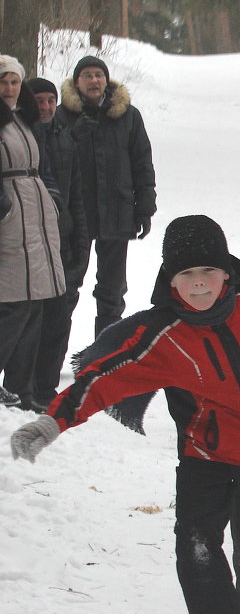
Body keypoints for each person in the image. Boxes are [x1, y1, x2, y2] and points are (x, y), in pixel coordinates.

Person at [9, 214, 240, 614]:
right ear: (170, 279)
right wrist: (52, 423)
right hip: (203, 457)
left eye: (207, 272)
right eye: (185, 275)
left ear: (227, 273)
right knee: (196, 543)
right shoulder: (161, 338)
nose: (197, 284)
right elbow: (100, 379)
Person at [56, 54, 156, 337]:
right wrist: (72, 138)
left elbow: (142, 163)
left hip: (117, 211)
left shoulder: (128, 115)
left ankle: (105, 355)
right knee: (67, 287)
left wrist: (145, 208)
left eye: (98, 75)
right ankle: (51, 360)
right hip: (76, 216)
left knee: (112, 290)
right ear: (77, 82)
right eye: (87, 75)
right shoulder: (62, 116)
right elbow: (53, 162)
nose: (93, 80)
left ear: (106, 80)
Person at [0, 56, 66, 410]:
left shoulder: (23, 120)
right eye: (2, 82)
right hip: (12, 220)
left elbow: (42, 167)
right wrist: (4, 208)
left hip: (36, 216)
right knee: (14, 306)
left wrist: (52, 198)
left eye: (14, 82)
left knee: (35, 304)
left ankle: (21, 390)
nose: (9, 89)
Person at [21, 77, 88, 411]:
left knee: (59, 317)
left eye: (51, 100)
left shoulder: (65, 137)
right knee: (31, 318)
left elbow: (77, 194)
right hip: (26, 242)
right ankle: (24, 386)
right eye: (39, 100)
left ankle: (46, 388)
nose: (45, 107)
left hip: (62, 240)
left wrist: (80, 240)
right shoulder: (17, 137)